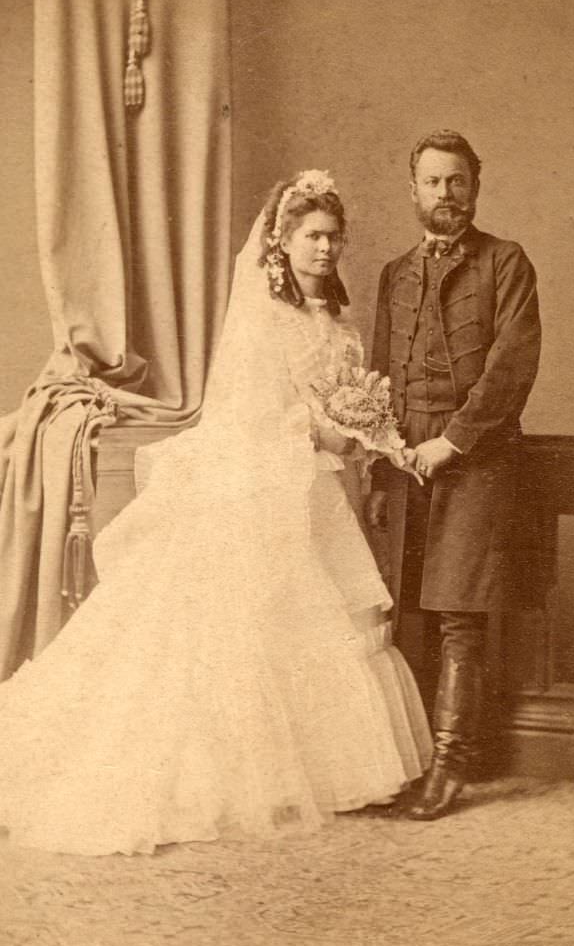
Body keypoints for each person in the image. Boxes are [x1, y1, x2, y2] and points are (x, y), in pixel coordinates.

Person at [0, 171, 431, 855]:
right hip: (271, 482)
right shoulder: (267, 318)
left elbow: (350, 396)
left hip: (325, 488)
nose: (325, 249)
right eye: (312, 236)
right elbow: (245, 411)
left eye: (333, 237)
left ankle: (321, 773)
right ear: (282, 242)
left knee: (328, 616)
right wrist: (317, 431)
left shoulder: (341, 321)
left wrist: (359, 436)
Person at [366, 131, 541, 820]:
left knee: (459, 614)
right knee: (407, 610)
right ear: (414, 191)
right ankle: (411, 761)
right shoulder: (393, 274)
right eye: (433, 182)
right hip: (406, 462)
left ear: (476, 187)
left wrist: (454, 443)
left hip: (475, 461)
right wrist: (384, 470)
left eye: (457, 181)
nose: (445, 194)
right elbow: (378, 375)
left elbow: (512, 368)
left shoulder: (506, 263)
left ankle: (451, 767)